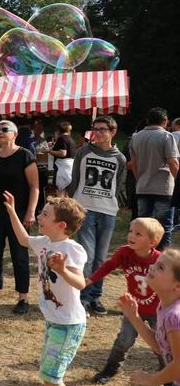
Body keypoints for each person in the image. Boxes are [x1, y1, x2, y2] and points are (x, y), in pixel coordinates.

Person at [2, 190, 87, 386]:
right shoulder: (45, 242)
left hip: (68, 324)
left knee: (51, 376)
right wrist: (12, 211)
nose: (39, 217)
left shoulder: (71, 248)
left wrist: (63, 270)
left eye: (45, 215)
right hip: (53, 320)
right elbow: (23, 239)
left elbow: (81, 283)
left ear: (61, 225)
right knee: (48, 374)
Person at [86, 218, 164, 384]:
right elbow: (108, 265)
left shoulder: (160, 260)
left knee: (162, 344)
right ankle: (110, 369)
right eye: (130, 231)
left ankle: (167, 374)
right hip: (132, 309)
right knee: (124, 340)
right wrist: (90, 280)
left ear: (153, 241)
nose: (131, 235)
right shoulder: (124, 252)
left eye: (138, 233)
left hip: (158, 311)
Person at [67, 115, 127, 315]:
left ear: (113, 132)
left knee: (101, 258)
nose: (99, 132)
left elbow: (117, 185)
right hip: (85, 208)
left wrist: (110, 202)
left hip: (107, 211)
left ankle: (95, 296)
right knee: (88, 255)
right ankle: (83, 296)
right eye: (96, 128)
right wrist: (76, 203)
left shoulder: (119, 158)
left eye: (103, 129)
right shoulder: (83, 152)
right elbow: (75, 179)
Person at [0, 120, 39, 313]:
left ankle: (23, 297)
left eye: (5, 129)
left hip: (18, 213)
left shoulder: (24, 155)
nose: (0, 132)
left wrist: (30, 211)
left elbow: (34, 186)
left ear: (14, 134)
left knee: (19, 254)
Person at [120, 248, 180, 386]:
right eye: (155, 263)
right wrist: (134, 317)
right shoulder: (164, 307)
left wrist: (152, 380)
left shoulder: (175, 316)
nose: (152, 267)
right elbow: (161, 347)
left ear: (177, 286)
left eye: (160, 267)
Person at [130, 107, 180, 250]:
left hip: (142, 186)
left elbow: (134, 163)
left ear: (147, 120)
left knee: (143, 226)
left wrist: (139, 178)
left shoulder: (136, 137)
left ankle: (142, 254)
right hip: (163, 187)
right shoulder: (166, 136)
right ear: (165, 121)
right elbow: (173, 162)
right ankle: (161, 258)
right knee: (163, 227)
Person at [49, 121, 76, 197]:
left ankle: (60, 209)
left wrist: (49, 151)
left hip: (61, 168)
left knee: (60, 193)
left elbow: (63, 153)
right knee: (67, 194)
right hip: (70, 168)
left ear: (58, 130)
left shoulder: (62, 138)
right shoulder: (71, 139)